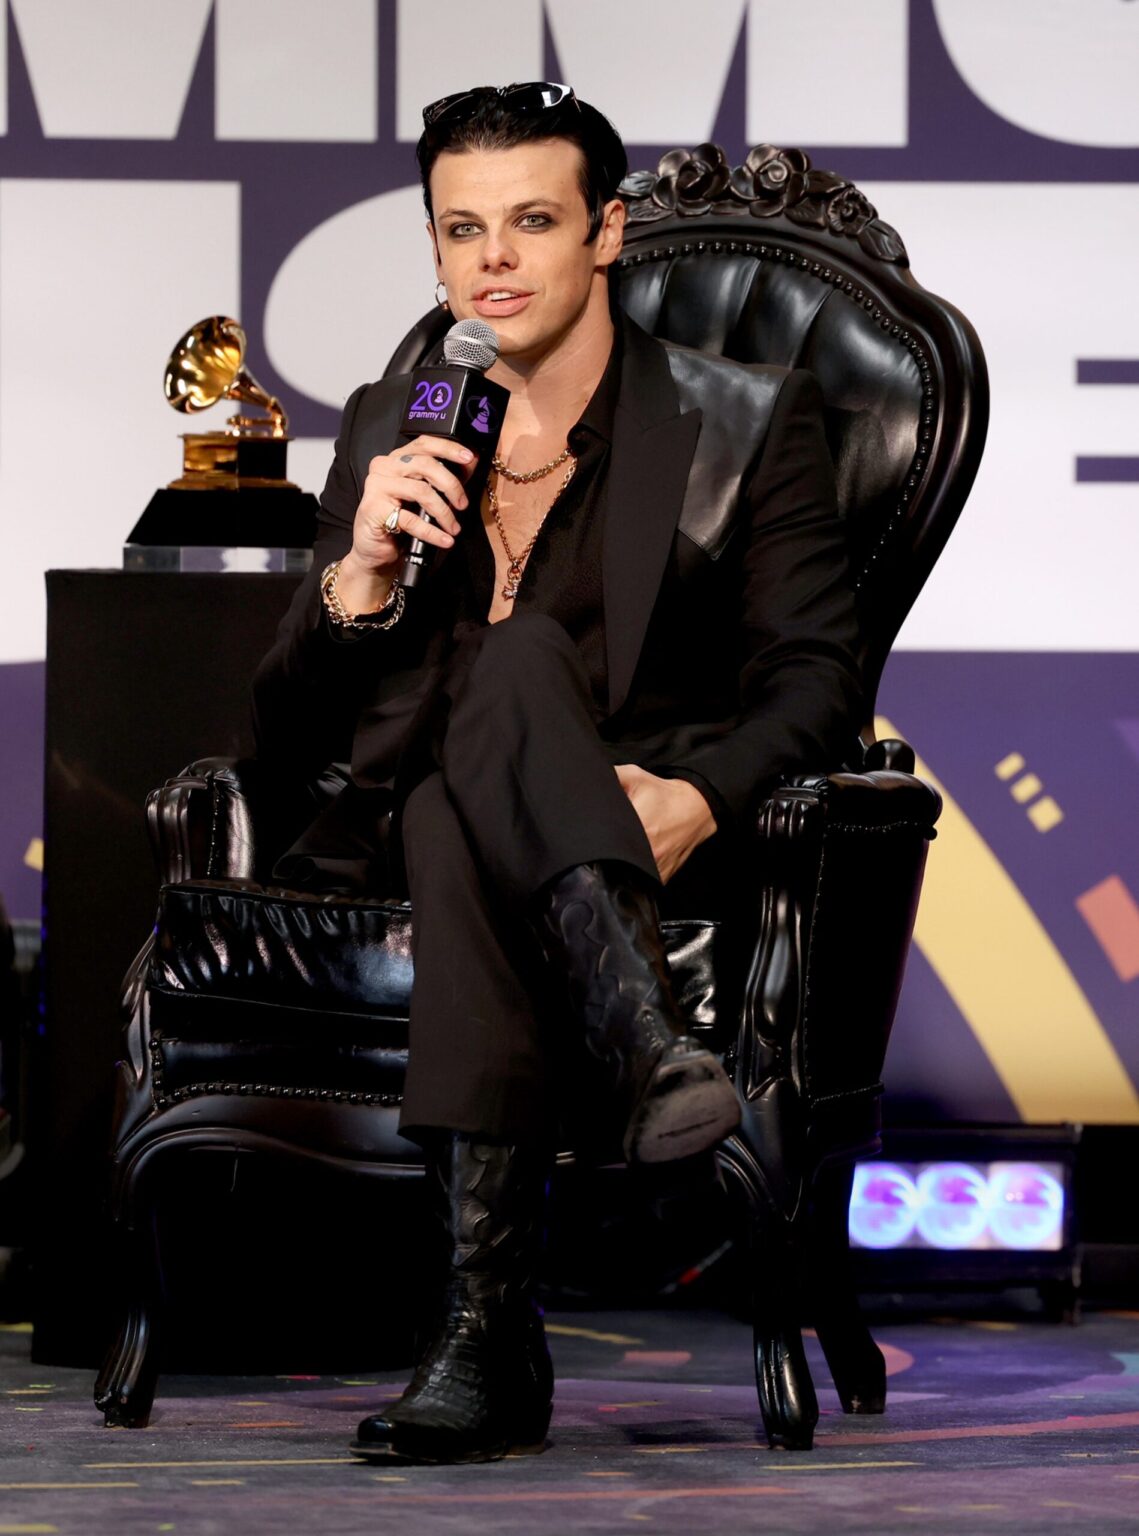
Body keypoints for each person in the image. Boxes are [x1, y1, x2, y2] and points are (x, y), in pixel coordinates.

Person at [251, 81, 862, 1466]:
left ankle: (481, 1339)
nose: (496, 260)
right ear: (435, 250)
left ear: (607, 233)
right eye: (463, 229)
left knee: (474, 793)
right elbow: (278, 735)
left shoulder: (742, 422)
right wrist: (358, 574)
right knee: (505, 675)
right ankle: (642, 1037)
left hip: (602, 826)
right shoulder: (395, 421)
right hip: (386, 824)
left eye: (533, 221)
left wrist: (700, 796)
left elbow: (819, 682)